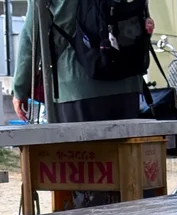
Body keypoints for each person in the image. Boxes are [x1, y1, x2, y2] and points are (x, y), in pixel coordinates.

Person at [12, 0, 154, 124]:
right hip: (128, 84)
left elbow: (32, 36)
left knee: (79, 152)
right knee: (125, 153)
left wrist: (20, 89)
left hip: (76, 87)